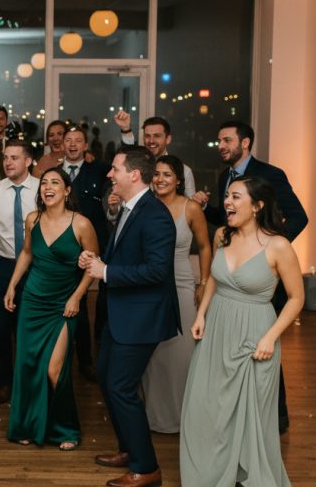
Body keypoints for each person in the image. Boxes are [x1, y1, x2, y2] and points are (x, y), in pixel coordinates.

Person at [180, 176, 304, 486]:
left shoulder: (278, 246)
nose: (228, 203)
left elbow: (297, 298)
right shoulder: (223, 235)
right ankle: (210, 471)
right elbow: (214, 281)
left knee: (251, 414)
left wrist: (270, 337)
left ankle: (246, 471)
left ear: (258, 205)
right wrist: (202, 315)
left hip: (255, 334)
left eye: (236, 197)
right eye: (227, 197)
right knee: (207, 406)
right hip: (216, 329)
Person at [192, 120, 308, 433]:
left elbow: (299, 216)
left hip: (262, 284)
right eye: (219, 140)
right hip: (230, 282)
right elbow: (229, 221)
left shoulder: (270, 174)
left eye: (227, 140)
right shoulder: (224, 178)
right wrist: (207, 209)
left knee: (262, 357)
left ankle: (275, 418)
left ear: (245, 143)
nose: (221, 146)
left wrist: (266, 251)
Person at [79, 145, 178, 487]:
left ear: (134, 175)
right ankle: (129, 447)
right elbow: (124, 252)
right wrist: (98, 260)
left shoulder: (155, 214)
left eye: (115, 169)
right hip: (120, 314)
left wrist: (105, 272)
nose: (110, 174)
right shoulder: (130, 208)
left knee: (120, 386)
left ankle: (146, 467)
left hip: (141, 318)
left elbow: (156, 271)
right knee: (107, 379)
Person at [4, 168, 98, 450]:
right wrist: (12, 286)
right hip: (33, 300)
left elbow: (94, 264)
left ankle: (65, 429)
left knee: (55, 370)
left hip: (63, 304)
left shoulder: (81, 224)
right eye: (44, 182)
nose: (48, 187)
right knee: (28, 366)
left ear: (67, 190)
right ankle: (27, 426)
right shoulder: (33, 218)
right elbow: (27, 253)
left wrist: (77, 296)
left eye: (55, 182)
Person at [138, 155, 212, 434]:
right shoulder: (145, 206)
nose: (160, 179)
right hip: (148, 285)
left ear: (179, 180)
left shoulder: (191, 208)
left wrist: (203, 281)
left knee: (181, 354)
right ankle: (154, 416)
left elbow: (205, 247)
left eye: (167, 175)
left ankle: (184, 417)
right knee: (153, 354)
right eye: (156, 174)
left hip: (181, 284)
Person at [0, 139, 39, 404]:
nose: (8, 162)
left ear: (28, 161)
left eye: (14, 157)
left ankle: (30, 383)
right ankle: (4, 382)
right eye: (5, 158)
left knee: (30, 328)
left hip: (35, 267)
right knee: (0, 327)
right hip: (3, 266)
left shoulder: (41, 188)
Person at [60, 126, 111, 381]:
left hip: (93, 246)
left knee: (90, 305)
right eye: (68, 140)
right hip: (65, 248)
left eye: (78, 140)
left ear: (85, 145)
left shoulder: (99, 170)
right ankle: (64, 358)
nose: (72, 144)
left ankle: (87, 360)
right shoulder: (55, 174)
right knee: (69, 301)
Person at [113, 112, 196, 197]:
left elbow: (192, 204)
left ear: (168, 139)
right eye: (147, 136)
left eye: (157, 136)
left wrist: (202, 204)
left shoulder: (184, 170)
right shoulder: (136, 167)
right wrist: (126, 129)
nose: (151, 141)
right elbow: (129, 154)